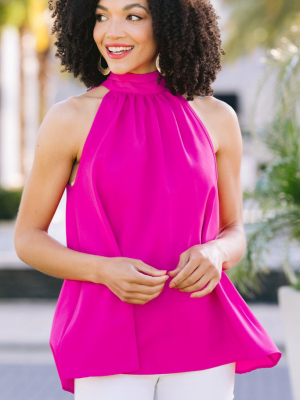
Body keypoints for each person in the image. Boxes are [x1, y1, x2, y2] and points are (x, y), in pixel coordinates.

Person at [14, 0, 282, 399]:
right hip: (106, 335)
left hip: (200, 334)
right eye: (102, 16)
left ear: (172, 24)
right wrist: (103, 271)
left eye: (133, 16)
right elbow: (28, 239)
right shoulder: (69, 119)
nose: (112, 32)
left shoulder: (217, 117)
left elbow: (235, 232)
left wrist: (215, 252)